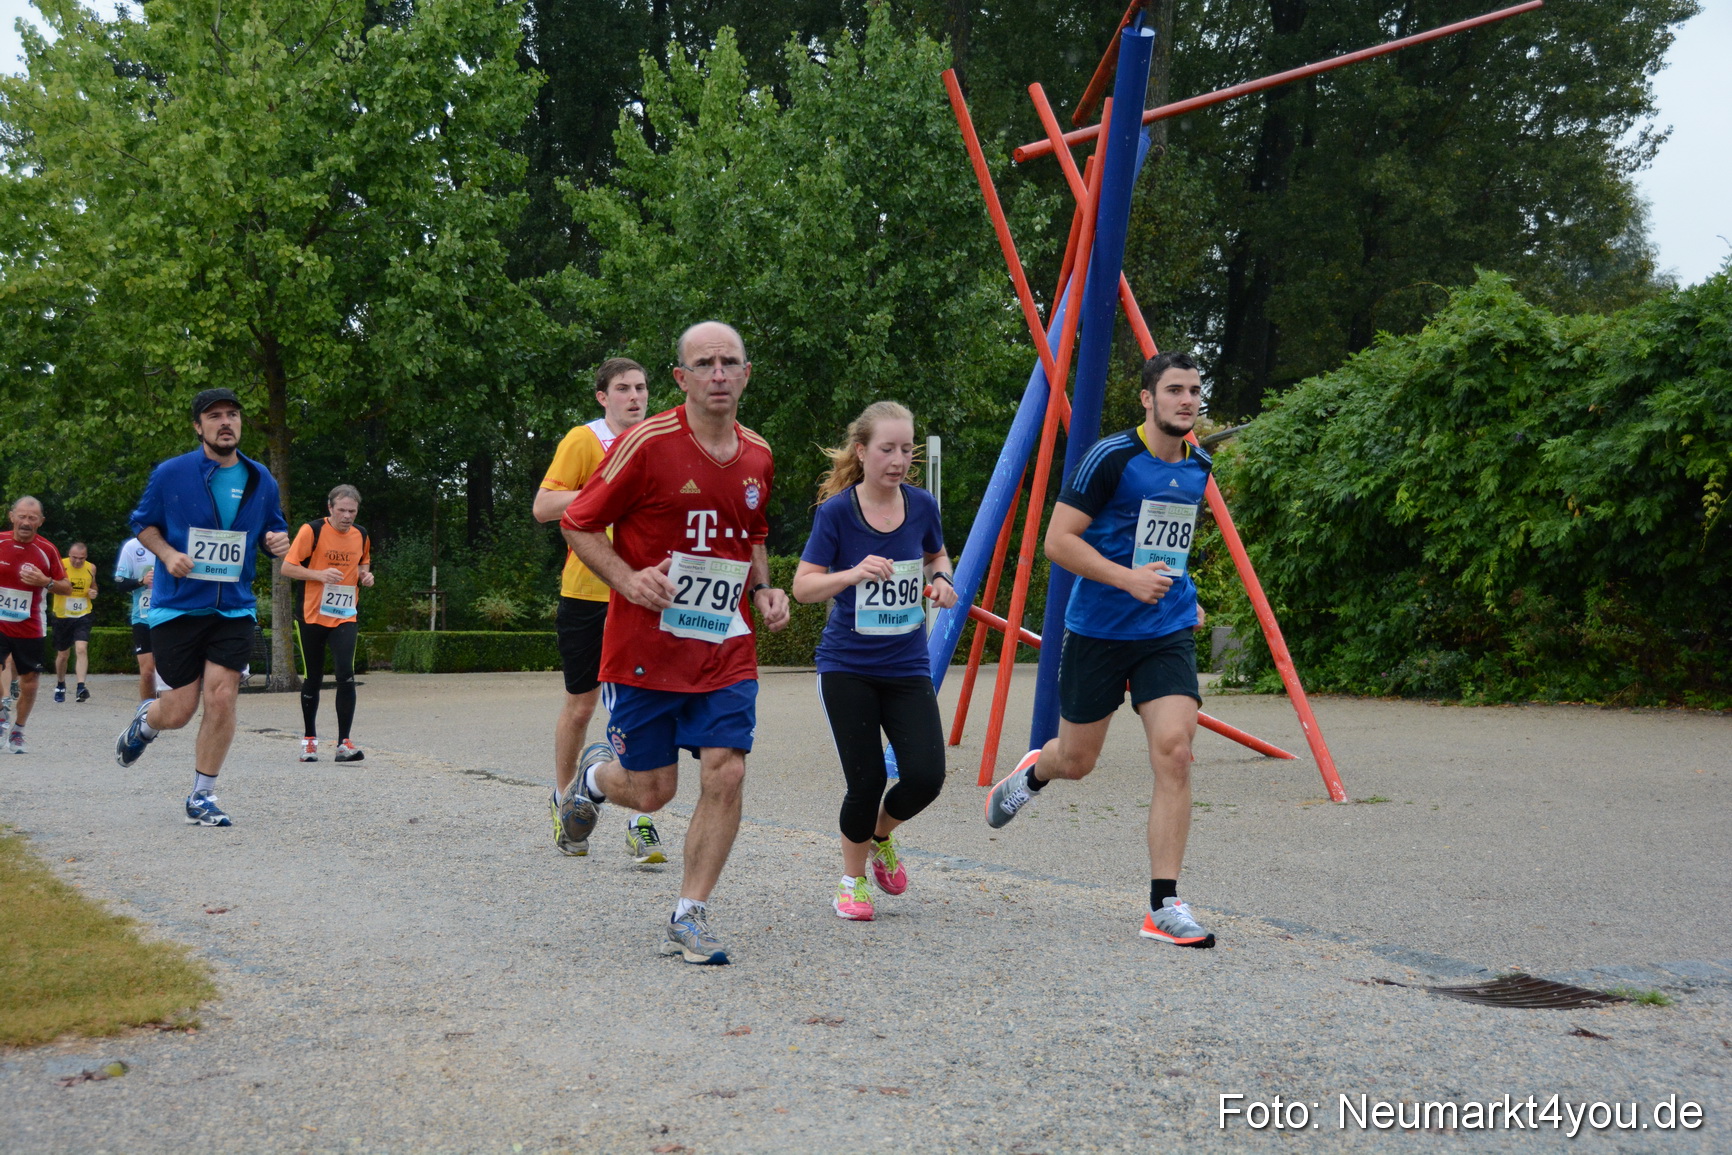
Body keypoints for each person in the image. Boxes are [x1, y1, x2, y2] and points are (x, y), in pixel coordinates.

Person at [561, 321, 790, 965]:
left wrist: (764, 590)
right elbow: (579, 523)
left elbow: (752, 534)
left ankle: (690, 914)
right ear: (681, 378)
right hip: (644, 647)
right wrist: (628, 579)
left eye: (730, 362)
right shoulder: (645, 443)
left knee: (728, 770)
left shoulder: (758, 455)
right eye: (704, 363)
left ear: (747, 373)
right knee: (653, 790)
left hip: (725, 646)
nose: (718, 374)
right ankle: (598, 779)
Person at [984, 351, 1218, 948]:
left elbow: (1168, 542)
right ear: (1147, 398)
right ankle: (1036, 771)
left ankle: (1163, 905)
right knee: (1078, 762)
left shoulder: (1200, 465)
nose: (1187, 400)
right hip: (1099, 630)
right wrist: (1127, 579)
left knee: (1176, 751)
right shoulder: (1109, 458)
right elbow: (1058, 542)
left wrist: (1180, 591)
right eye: (1174, 390)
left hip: (1163, 630)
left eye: (1194, 390)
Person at [792, 402, 957, 921]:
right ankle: (851, 881)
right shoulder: (837, 513)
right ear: (861, 451)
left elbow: (936, 555)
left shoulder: (923, 504)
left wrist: (944, 582)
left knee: (927, 777)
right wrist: (851, 574)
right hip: (848, 666)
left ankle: (881, 834)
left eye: (907, 449)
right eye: (887, 448)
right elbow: (802, 587)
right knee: (864, 781)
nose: (899, 459)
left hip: (907, 664)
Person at [114, 388, 291, 827]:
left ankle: (203, 795)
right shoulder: (172, 473)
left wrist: (277, 542)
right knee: (178, 710)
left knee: (223, 696)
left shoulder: (260, 478)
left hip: (233, 608)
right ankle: (146, 722)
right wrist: (168, 554)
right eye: (214, 416)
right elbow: (143, 523)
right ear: (199, 427)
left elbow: (275, 530)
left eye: (232, 414)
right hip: (177, 607)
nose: (225, 422)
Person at [532, 357, 651, 858]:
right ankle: (566, 802)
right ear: (603, 397)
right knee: (582, 705)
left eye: (641, 388)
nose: (635, 397)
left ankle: (642, 820)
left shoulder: (658, 442)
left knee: (647, 705)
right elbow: (543, 507)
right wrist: (603, 493)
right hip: (586, 591)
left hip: (645, 593)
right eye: (623, 389)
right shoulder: (584, 440)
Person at [281, 485, 374, 762]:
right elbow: (287, 567)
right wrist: (318, 574)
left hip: (345, 613)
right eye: (342, 510)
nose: (347, 516)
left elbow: (363, 564)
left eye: (352, 511)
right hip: (312, 614)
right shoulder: (312, 530)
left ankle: (343, 743)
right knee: (314, 677)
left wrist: (365, 577)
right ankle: (309, 739)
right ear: (330, 508)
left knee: (346, 673)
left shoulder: (362, 534)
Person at [0, 497, 71, 754]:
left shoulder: (47, 550)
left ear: (40, 521)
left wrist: (45, 580)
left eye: (32, 518)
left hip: (30, 624)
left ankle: (18, 731)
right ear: (12, 517)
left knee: (30, 681)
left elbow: (67, 588)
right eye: (22, 516)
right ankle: (1, 712)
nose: (26, 522)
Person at [111, 536, 159, 700]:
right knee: (147, 672)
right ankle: (145, 713)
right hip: (143, 618)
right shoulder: (132, 546)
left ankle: (164, 711)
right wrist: (141, 581)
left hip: (168, 617)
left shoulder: (173, 540)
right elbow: (120, 582)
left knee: (167, 669)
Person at [50, 542, 98, 703]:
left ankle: (81, 687)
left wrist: (94, 592)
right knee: (63, 655)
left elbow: (93, 586)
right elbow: (49, 586)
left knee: (81, 648)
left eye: (81, 558)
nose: (77, 561)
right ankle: (60, 684)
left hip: (83, 614)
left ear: (86, 557)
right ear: (69, 555)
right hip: (62, 615)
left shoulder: (91, 568)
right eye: (74, 558)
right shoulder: (59, 565)